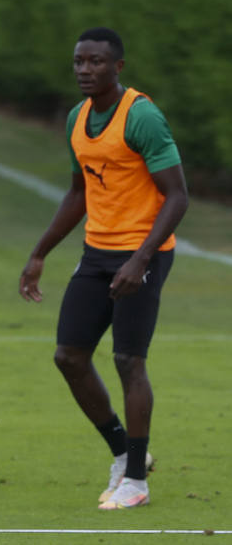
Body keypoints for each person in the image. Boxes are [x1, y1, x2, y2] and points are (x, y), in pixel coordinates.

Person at [19, 27, 187, 510]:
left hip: (144, 251)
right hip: (97, 252)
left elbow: (178, 196)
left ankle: (136, 481)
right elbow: (79, 193)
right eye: (78, 62)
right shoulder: (77, 118)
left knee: (128, 360)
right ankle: (124, 452)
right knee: (69, 356)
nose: (84, 70)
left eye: (95, 62)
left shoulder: (142, 117)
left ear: (118, 67)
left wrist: (141, 259)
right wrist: (39, 253)